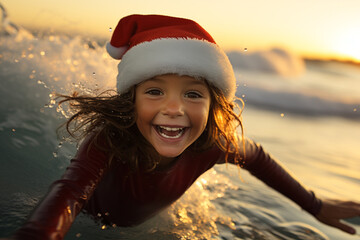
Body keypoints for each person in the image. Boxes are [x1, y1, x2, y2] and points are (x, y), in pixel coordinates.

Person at [8, 14, 360, 239]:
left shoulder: (214, 144)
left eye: (193, 94)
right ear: (131, 101)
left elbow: (258, 158)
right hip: (90, 220)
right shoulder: (109, 140)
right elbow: (69, 191)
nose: (174, 108)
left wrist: (315, 206)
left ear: (213, 106)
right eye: (155, 91)